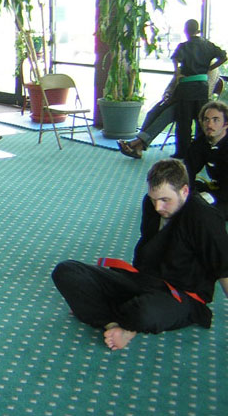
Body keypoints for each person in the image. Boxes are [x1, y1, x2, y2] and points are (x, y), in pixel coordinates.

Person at [52, 159, 228, 351]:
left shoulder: (204, 218)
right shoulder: (151, 205)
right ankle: (113, 325)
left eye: (165, 200)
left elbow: (225, 270)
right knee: (66, 271)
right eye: (153, 199)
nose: (158, 207)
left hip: (181, 295)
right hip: (143, 281)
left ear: (184, 191)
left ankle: (118, 321)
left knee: (144, 312)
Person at [118, 19, 226, 160]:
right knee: (156, 113)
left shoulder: (184, 48)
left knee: (179, 120)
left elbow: (177, 68)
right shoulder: (208, 49)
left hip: (185, 93)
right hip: (198, 93)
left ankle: (138, 144)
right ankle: (138, 145)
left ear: (186, 31)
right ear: (198, 31)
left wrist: (177, 72)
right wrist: (208, 68)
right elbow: (223, 56)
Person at [184, 100, 228, 219]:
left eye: (216, 120)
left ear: (226, 124)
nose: (209, 125)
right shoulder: (201, 142)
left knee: (203, 212)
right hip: (218, 187)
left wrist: (207, 198)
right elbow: (188, 170)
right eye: (206, 119)